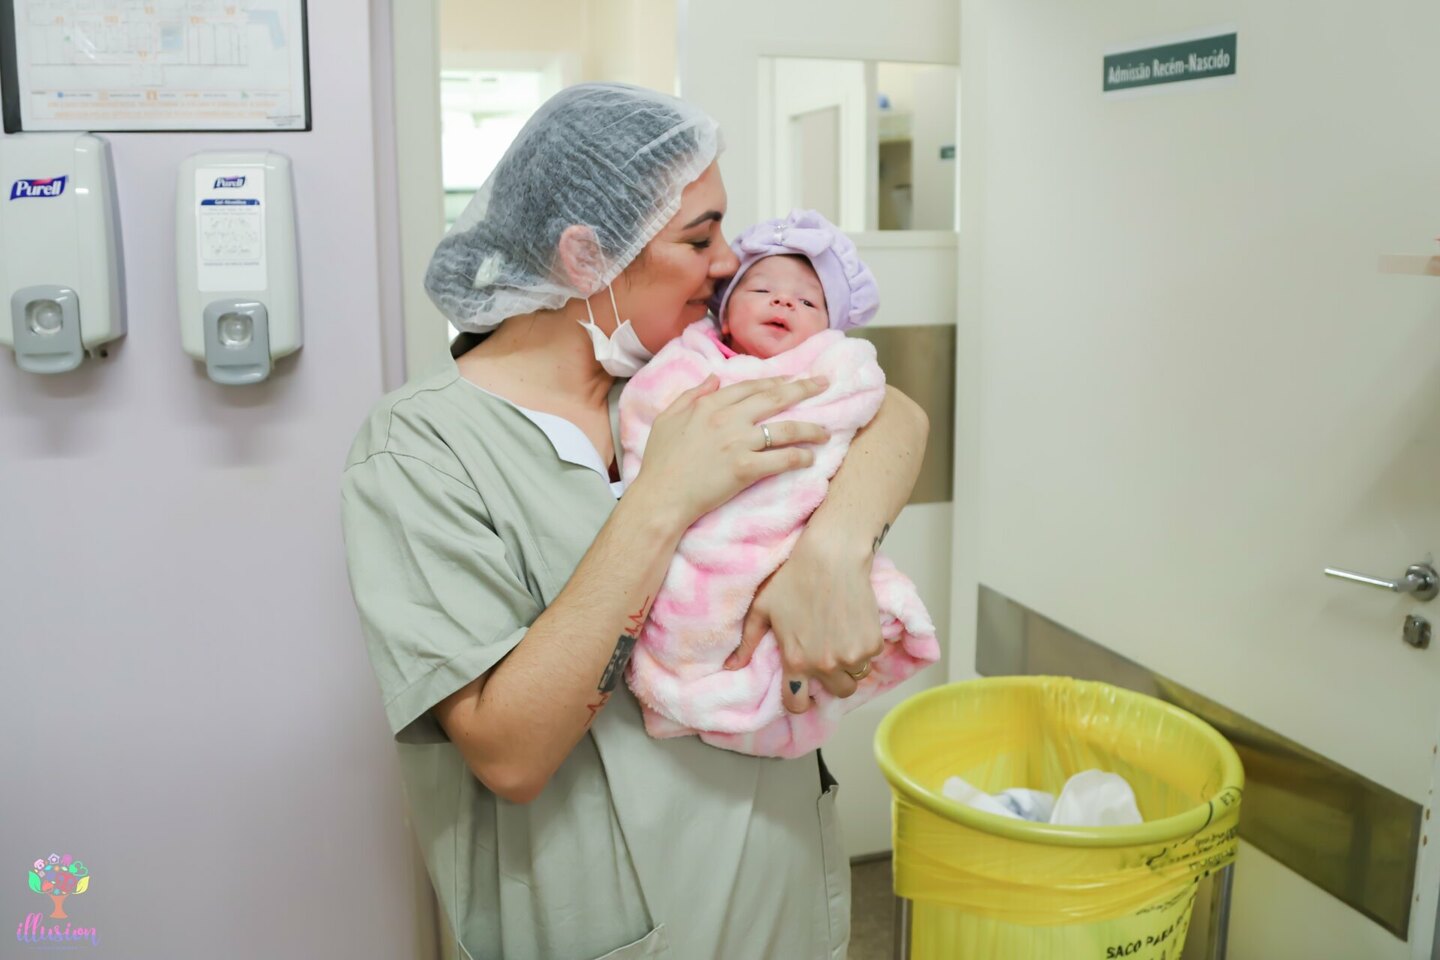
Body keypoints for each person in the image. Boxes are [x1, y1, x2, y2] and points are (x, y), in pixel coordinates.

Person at [340, 83, 929, 960]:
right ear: (586, 256)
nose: (731, 262)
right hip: (615, 928)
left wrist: (834, 553)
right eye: (700, 237)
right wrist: (663, 498)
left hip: (779, 885)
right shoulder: (421, 449)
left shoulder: (682, 373)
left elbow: (896, 412)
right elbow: (510, 753)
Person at [618, 209, 942, 759]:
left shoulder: (829, 369)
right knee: (700, 612)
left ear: (830, 328)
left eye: (808, 301)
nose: (784, 301)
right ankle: (709, 681)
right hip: (708, 544)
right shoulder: (685, 363)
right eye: (761, 288)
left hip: (793, 532)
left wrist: (831, 551)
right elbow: (647, 427)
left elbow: (884, 412)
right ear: (721, 316)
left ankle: (765, 688)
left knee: (863, 609)